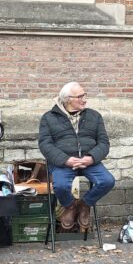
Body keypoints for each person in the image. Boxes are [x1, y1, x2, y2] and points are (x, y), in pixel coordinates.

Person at [38, 82, 116, 232]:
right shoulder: (48, 118)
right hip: (63, 163)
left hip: (89, 162)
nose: (84, 99)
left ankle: (85, 204)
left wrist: (91, 158)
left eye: (84, 95)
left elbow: (104, 143)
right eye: (80, 96)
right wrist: (65, 160)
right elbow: (45, 145)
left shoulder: (95, 116)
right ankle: (70, 206)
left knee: (107, 181)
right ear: (68, 100)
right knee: (60, 186)